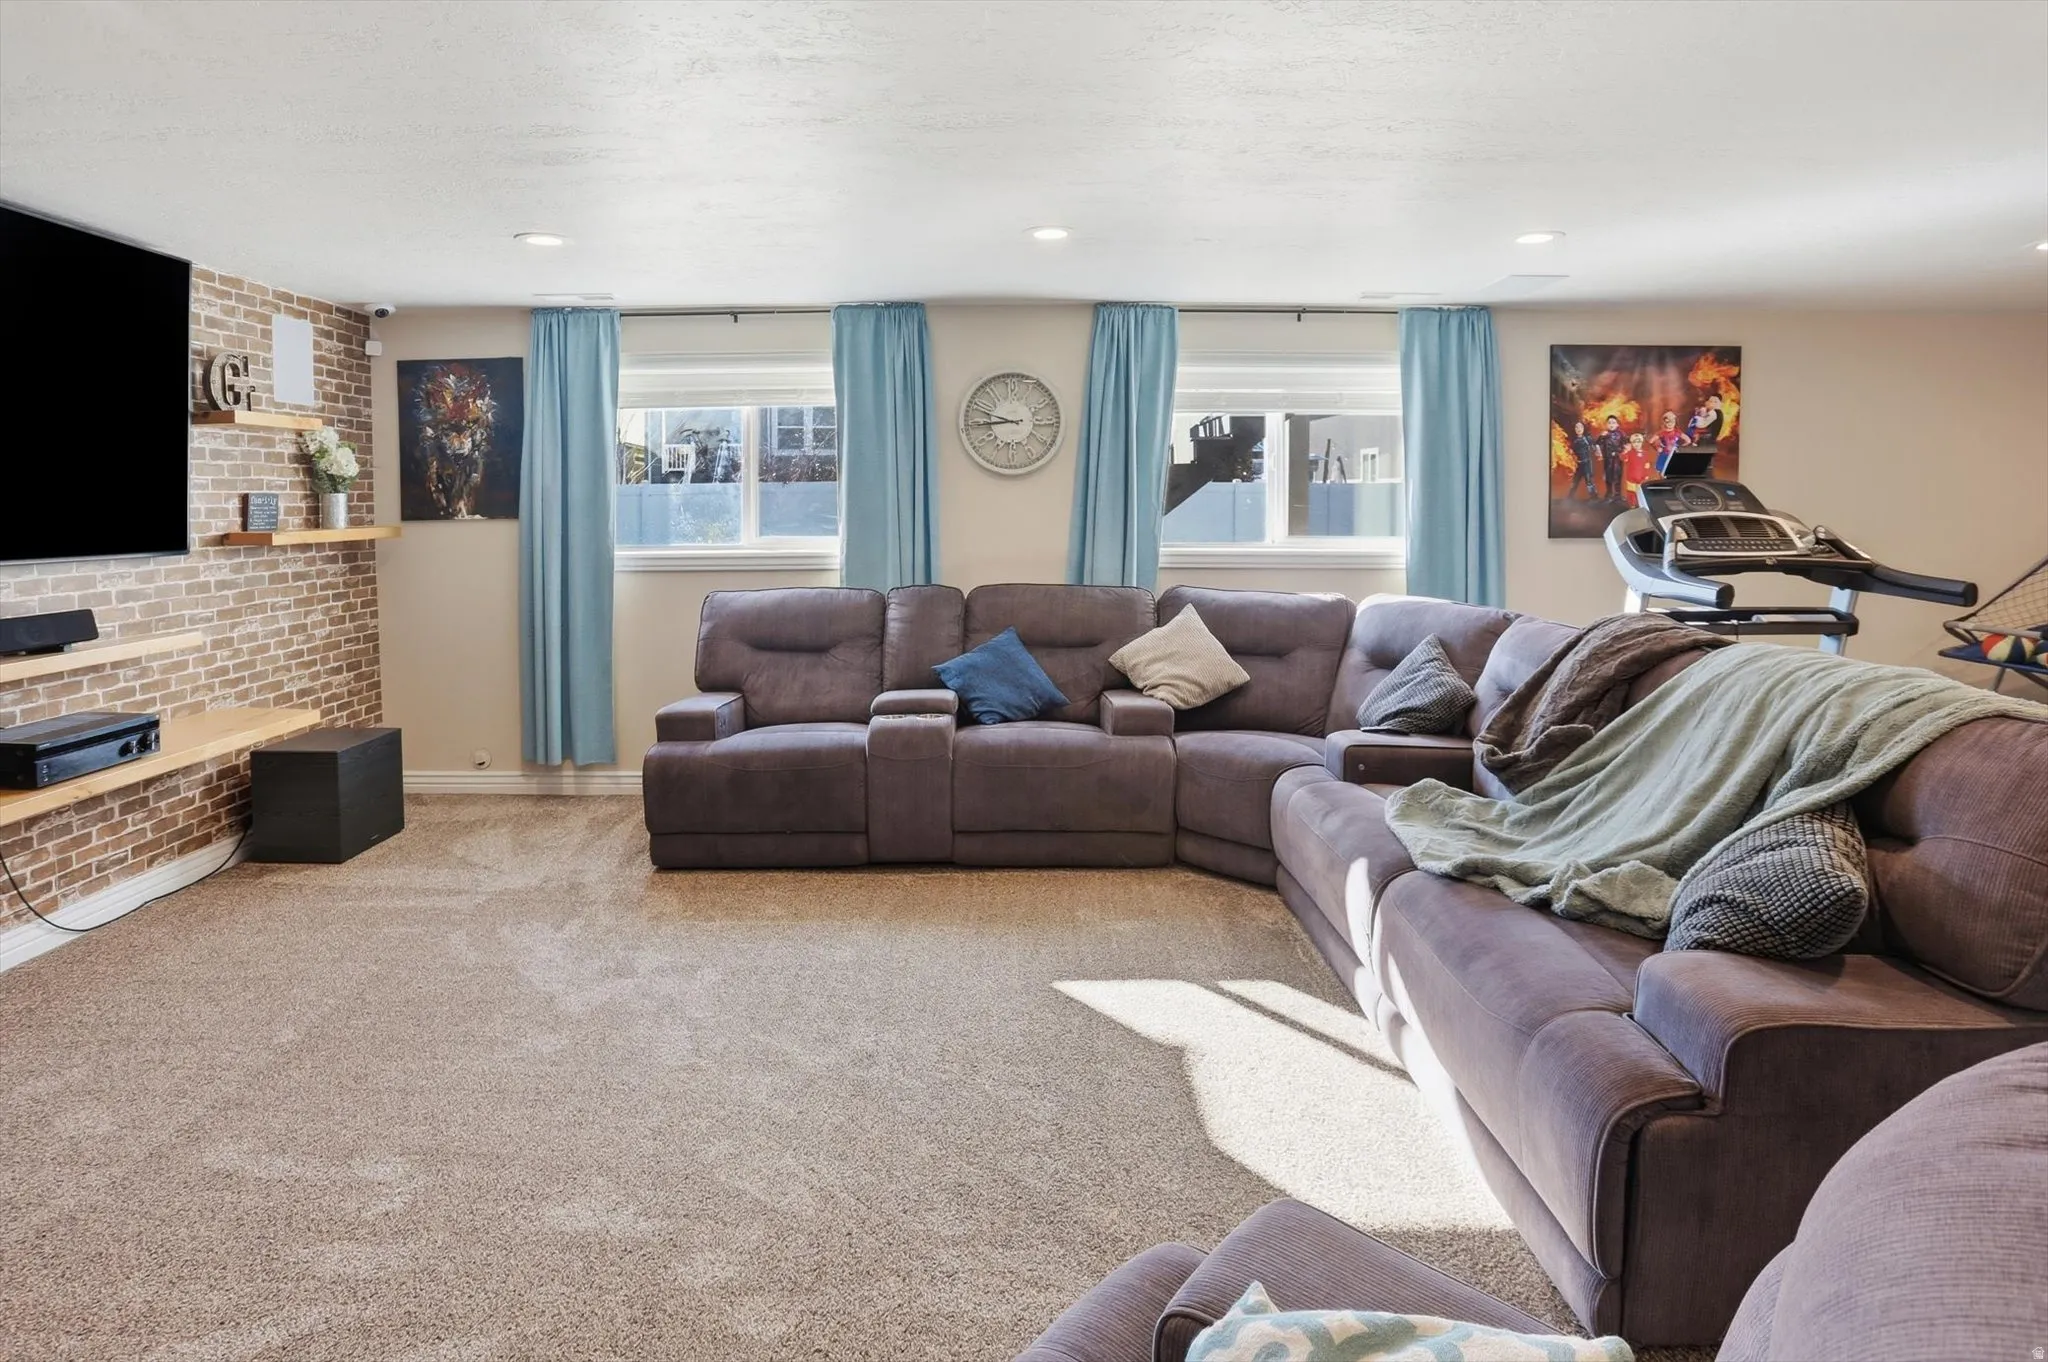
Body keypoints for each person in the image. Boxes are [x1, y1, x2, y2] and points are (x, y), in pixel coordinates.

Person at [1566, 420, 1599, 500]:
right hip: (1578, 464)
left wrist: (1598, 453)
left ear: (1584, 428)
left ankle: (1594, 498)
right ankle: (1569, 498)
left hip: (1587, 463)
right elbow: (1570, 452)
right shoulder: (1573, 440)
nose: (1578, 429)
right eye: (1576, 427)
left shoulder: (1588, 439)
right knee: (1574, 482)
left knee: (1589, 481)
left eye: (1580, 427)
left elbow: (1595, 446)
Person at [1599, 415, 1628, 501]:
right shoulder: (1604, 434)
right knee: (1608, 476)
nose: (1611, 424)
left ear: (1617, 424)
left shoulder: (1621, 434)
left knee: (1618, 476)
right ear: (1606, 425)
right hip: (1607, 460)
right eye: (1609, 423)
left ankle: (1617, 494)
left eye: (1613, 422)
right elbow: (1598, 444)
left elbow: (1626, 444)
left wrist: (1621, 452)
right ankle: (1609, 493)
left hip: (1618, 459)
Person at [1621, 431, 1655, 506]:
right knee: (1631, 492)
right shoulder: (1629, 453)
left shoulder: (1645, 453)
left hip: (1641, 478)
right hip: (1631, 478)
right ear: (1631, 443)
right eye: (1634, 442)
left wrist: (1646, 475)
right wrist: (1626, 451)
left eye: (1638, 442)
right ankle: (1632, 505)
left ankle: (1641, 505)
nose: (1636, 444)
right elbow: (1623, 458)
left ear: (1642, 442)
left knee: (1641, 492)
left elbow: (1647, 465)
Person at [1652, 410, 1687, 475]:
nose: (1670, 424)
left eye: (1672, 421)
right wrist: (1657, 447)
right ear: (1664, 422)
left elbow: (1688, 440)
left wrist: (1680, 448)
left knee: (1674, 471)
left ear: (1675, 422)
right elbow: (1651, 441)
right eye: (1668, 422)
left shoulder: (1677, 432)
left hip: (1674, 455)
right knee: (1661, 471)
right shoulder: (1661, 432)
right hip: (1664, 454)